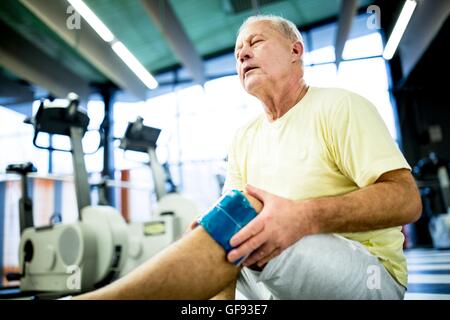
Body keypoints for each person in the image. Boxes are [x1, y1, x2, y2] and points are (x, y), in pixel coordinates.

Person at [75, 14, 421, 300]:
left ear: (295, 50)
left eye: (255, 43)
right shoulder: (244, 137)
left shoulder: (340, 106)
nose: (242, 55)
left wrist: (303, 217)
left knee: (244, 218)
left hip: (369, 276)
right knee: (220, 225)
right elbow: (229, 222)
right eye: (238, 51)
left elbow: (407, 201)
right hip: (280, 275)